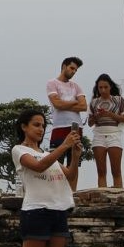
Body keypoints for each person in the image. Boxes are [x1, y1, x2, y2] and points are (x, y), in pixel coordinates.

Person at [7, 107, 81, 247]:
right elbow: (38, 166)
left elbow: (69, 178)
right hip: (36, 211)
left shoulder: (49, 153)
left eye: (42, 125)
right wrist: (64, 146)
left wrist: (75, 155)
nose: (40, 129)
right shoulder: (19, 150)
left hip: (58, 211)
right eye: (36, 125)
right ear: (24, 127)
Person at [45, 56, 86, 190]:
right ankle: (57, 192)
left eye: (76, 70)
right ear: (64, 66)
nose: (74, 72)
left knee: (74, 161)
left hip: (76, 127)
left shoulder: (76, 86)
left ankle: (73, 194)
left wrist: (65, 104)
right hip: (59, 128)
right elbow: (57, 104)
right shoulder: (52, 83)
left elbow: (84, 106)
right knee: (56, 162)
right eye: (72, 68)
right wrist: (74, 102)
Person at [88, 73, 124, 189]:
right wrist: (97, 116)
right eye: (100, 87)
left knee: (116, 170)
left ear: (110, 87)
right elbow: (90, 123)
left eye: (105, 87)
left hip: (114, 134)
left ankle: (118, 194)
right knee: (101, 171)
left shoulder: (119, 101)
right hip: (99, 135)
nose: (103, 90)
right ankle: (103, 196)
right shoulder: (93, 102)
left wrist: (110, 114)